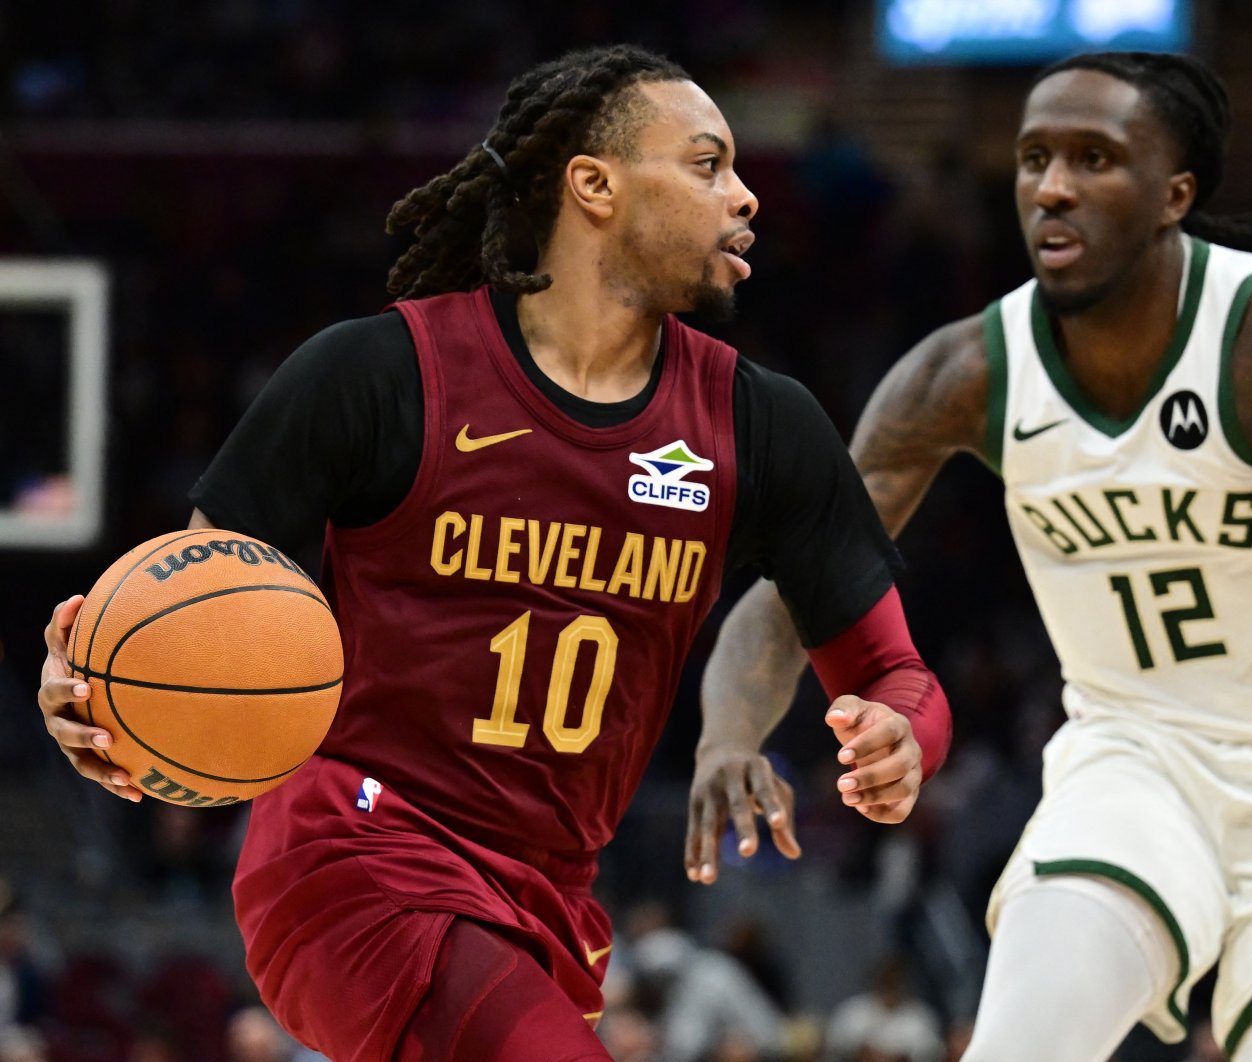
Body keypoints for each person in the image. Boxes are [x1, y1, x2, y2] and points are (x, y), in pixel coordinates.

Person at [35, 44, 950, 1061]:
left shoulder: (759, 425)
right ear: (593, 186)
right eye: (705, 164)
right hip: (355, 853)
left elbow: (894, 672)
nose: (744, 196)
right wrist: (95, 697)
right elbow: (194, 606)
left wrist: (904, 735)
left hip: (544, 895)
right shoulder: (381, 374)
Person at [698, 50, 1252, 1062]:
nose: (1051, 185)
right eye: (1034, 157)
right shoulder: (965, 373)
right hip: (1138, 755)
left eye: (1094, 158)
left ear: (1175, 193)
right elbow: (799, 581)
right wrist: (728, 735)